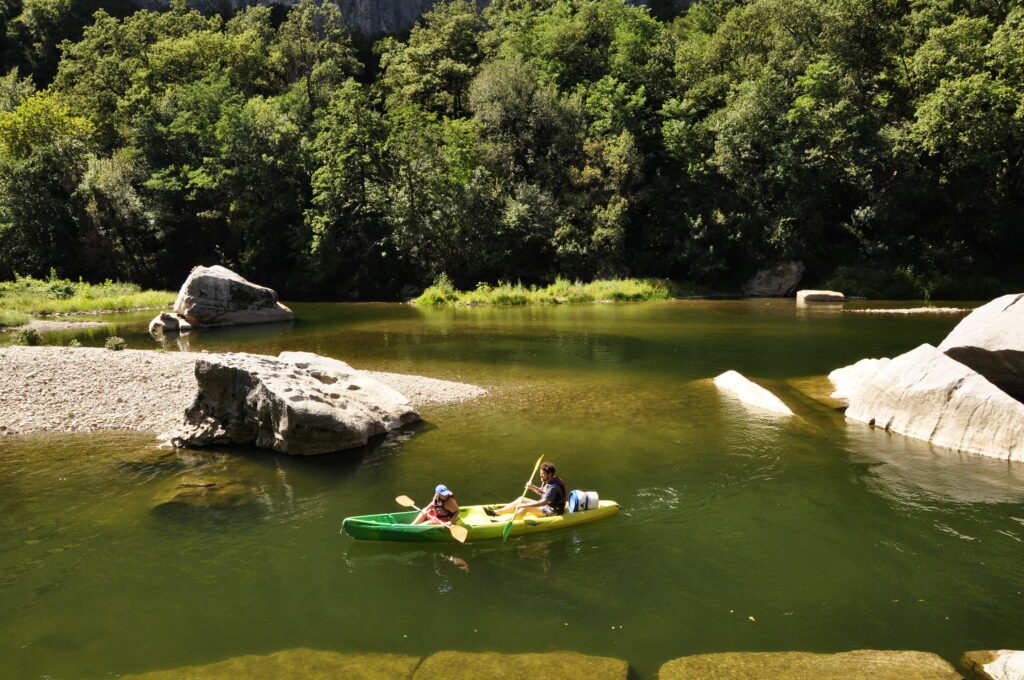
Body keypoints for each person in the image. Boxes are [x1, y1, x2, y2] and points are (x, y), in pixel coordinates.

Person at [486, 462, 566, 519]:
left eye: (543, 474)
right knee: (521, 499)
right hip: (546, 506)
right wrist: (532, 487)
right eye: (540, 473)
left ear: (550, 474)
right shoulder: (547, 480)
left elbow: (544, 502)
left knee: (526, 508)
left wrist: (524, 505)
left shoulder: (553, 486)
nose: (540, 475)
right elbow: (543, 492)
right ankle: (498, 512)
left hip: (554, 510)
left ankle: (504, 522)